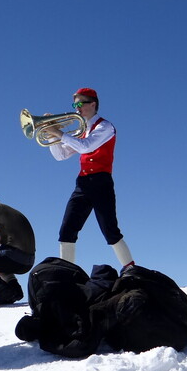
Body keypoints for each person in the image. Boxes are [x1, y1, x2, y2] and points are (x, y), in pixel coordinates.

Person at [47, 87, 134, 269]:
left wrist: (60, 133)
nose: (77, 108)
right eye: (75, 104)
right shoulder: (82, 130)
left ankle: (131, 269)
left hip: (101, 182)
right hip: (83, 183)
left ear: (93, 104)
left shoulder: (105, 127)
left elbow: (86, 147)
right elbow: (60, 156)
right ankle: (67, 274)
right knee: (67, 230)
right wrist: (51, 137)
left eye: (80, 104)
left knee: (110, 230)